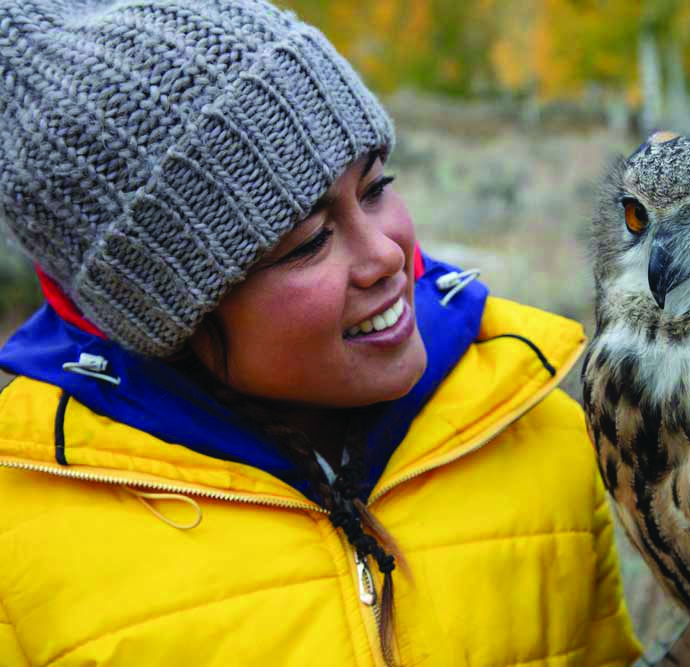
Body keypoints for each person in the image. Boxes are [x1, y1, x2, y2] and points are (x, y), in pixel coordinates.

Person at [0, 1, 642, 665]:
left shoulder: (535, 426)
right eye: (308, 243)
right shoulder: (21, 546)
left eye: (374, 188)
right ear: (164, 311)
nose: (388, 256)